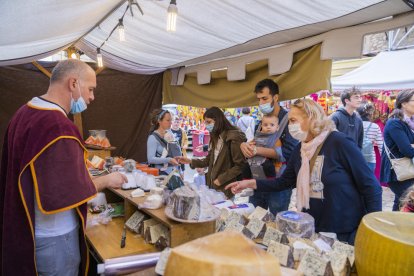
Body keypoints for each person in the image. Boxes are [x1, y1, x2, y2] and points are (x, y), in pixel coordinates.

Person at [0, 59, 127, 276]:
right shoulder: (59, 126)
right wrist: (107, 180)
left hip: (28, 229)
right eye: (90, 89)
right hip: (55, 237)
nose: (92, 97)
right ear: (73, 83)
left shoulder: (24, 112)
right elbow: (65, 193)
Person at [227, 99, 382, 245]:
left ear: (312, 118)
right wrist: (249, 183)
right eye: (289, 122)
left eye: (293, 121)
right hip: (313, 228)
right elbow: (284, 182)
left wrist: (371, 229)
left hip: (344, 231)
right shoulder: (300, 150)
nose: (290, 126)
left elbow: (371, 187)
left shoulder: (339, 143)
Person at [240, 78, 298, 215]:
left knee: (276, 220)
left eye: (264, 98)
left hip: (279, 184)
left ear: (275, 97)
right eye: (259, 99)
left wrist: (257, 150)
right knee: (254, 218)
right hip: (258, 180)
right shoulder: (261, 122)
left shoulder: (289, 120)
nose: (261, 103)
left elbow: (288, 153)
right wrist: (245, 145)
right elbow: (255, 141)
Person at [177, 107, 247, 198]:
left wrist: (220, 179)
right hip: (212, 186)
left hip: (225, 187)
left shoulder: (233, 137)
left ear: (218, 121)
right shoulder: (215, 136)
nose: (206, 125)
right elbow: (208, 160)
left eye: (208, 122)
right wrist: (190, 161)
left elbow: (240, 166)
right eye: (205, 122)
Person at [380, 90, 414, 211]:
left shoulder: (411, 123)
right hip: (396, 172)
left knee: (400, 202)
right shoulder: (395, 123)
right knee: (409, 201)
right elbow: (407, 151)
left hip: (408, 169)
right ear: (403, 104)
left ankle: (393, 226)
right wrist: (410, 146)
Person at [246, 114, 285, 179]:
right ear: (261, 126)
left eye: (272, 125)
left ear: (277, 127)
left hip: (268, 163)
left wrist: (277, 166)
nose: (268, 127)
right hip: (254, 162)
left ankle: (271, 182)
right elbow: (251, 144)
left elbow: (279, 156)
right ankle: (246, 183)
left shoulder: (276, 140)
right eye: (265, 125)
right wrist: (248, 145)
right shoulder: (257, 136)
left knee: (268, 167)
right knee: (245, 166)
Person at [147, 109, 180, 175]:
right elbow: (150, 159)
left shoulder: (170, 134)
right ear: (159, 121)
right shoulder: (153, 138)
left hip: (173, 173)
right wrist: (168, 160)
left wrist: (179, 171)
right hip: (160, 175)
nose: (170, 122)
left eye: (171, 120)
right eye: (168, 120)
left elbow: (176, 154)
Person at [356, 103, 383, 172]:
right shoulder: (375, 126)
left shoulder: (355, 125)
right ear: (370, 114)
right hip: (370, 159)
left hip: (356, 158)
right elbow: (381, 145)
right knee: (369, 181)